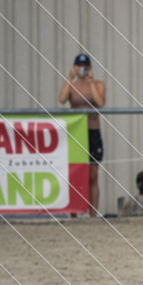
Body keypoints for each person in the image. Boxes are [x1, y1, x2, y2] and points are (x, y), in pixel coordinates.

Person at [58, 53, 105, 217]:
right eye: (79, 66)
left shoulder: (98, 84)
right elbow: (62, 99)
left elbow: (100, 102)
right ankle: (74, 213)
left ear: (90, 68)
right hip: (75, 133)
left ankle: (93, 215)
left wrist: (91, 82)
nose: (82, 69)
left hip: (92, 130)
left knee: (93, 174)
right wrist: (70, 77)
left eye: (85, 66)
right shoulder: (72, 86)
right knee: (75, 173)